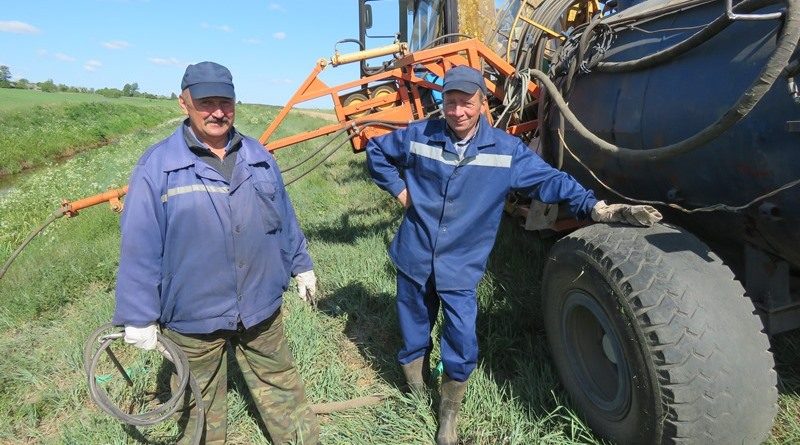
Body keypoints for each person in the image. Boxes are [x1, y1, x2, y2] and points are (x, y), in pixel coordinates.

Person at [365, 65, 661, 445]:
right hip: (415, 254)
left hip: (461, 263)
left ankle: (448, 418)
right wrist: (399, 191)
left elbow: (549, 180)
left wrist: (594, 207)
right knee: (413, 327)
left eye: (466, 103)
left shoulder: (505, 152)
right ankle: (416, 392)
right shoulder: (421, 135)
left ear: (482, 104)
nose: (457, 112)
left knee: (461, 337)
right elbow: (376, 150)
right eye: (450, 103)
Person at [113, 61, 320, 444]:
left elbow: (284, 220)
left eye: (225, 102)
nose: (218, 112)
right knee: (199, 405)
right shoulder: (158, 167)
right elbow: (140, 245)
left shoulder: (258, 156)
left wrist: (301, 264)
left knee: (282, 387)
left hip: (260, 305)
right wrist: (138, 315)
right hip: (192, 315)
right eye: (206, 102)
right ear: (184, 103)